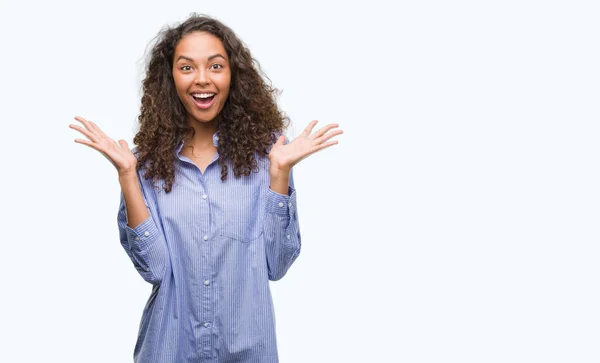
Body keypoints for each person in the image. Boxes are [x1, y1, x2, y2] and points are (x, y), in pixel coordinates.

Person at [68, 13, 342, 363]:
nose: (202, 80)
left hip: (247, 351)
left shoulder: (269, 158)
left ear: (233, 76)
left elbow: (277, 265)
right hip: (169, 351)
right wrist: (127, 175)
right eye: (186, 67)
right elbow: (154, 270)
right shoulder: (146, 166)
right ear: (170, 79)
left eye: (215, 66)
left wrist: (279, 174)